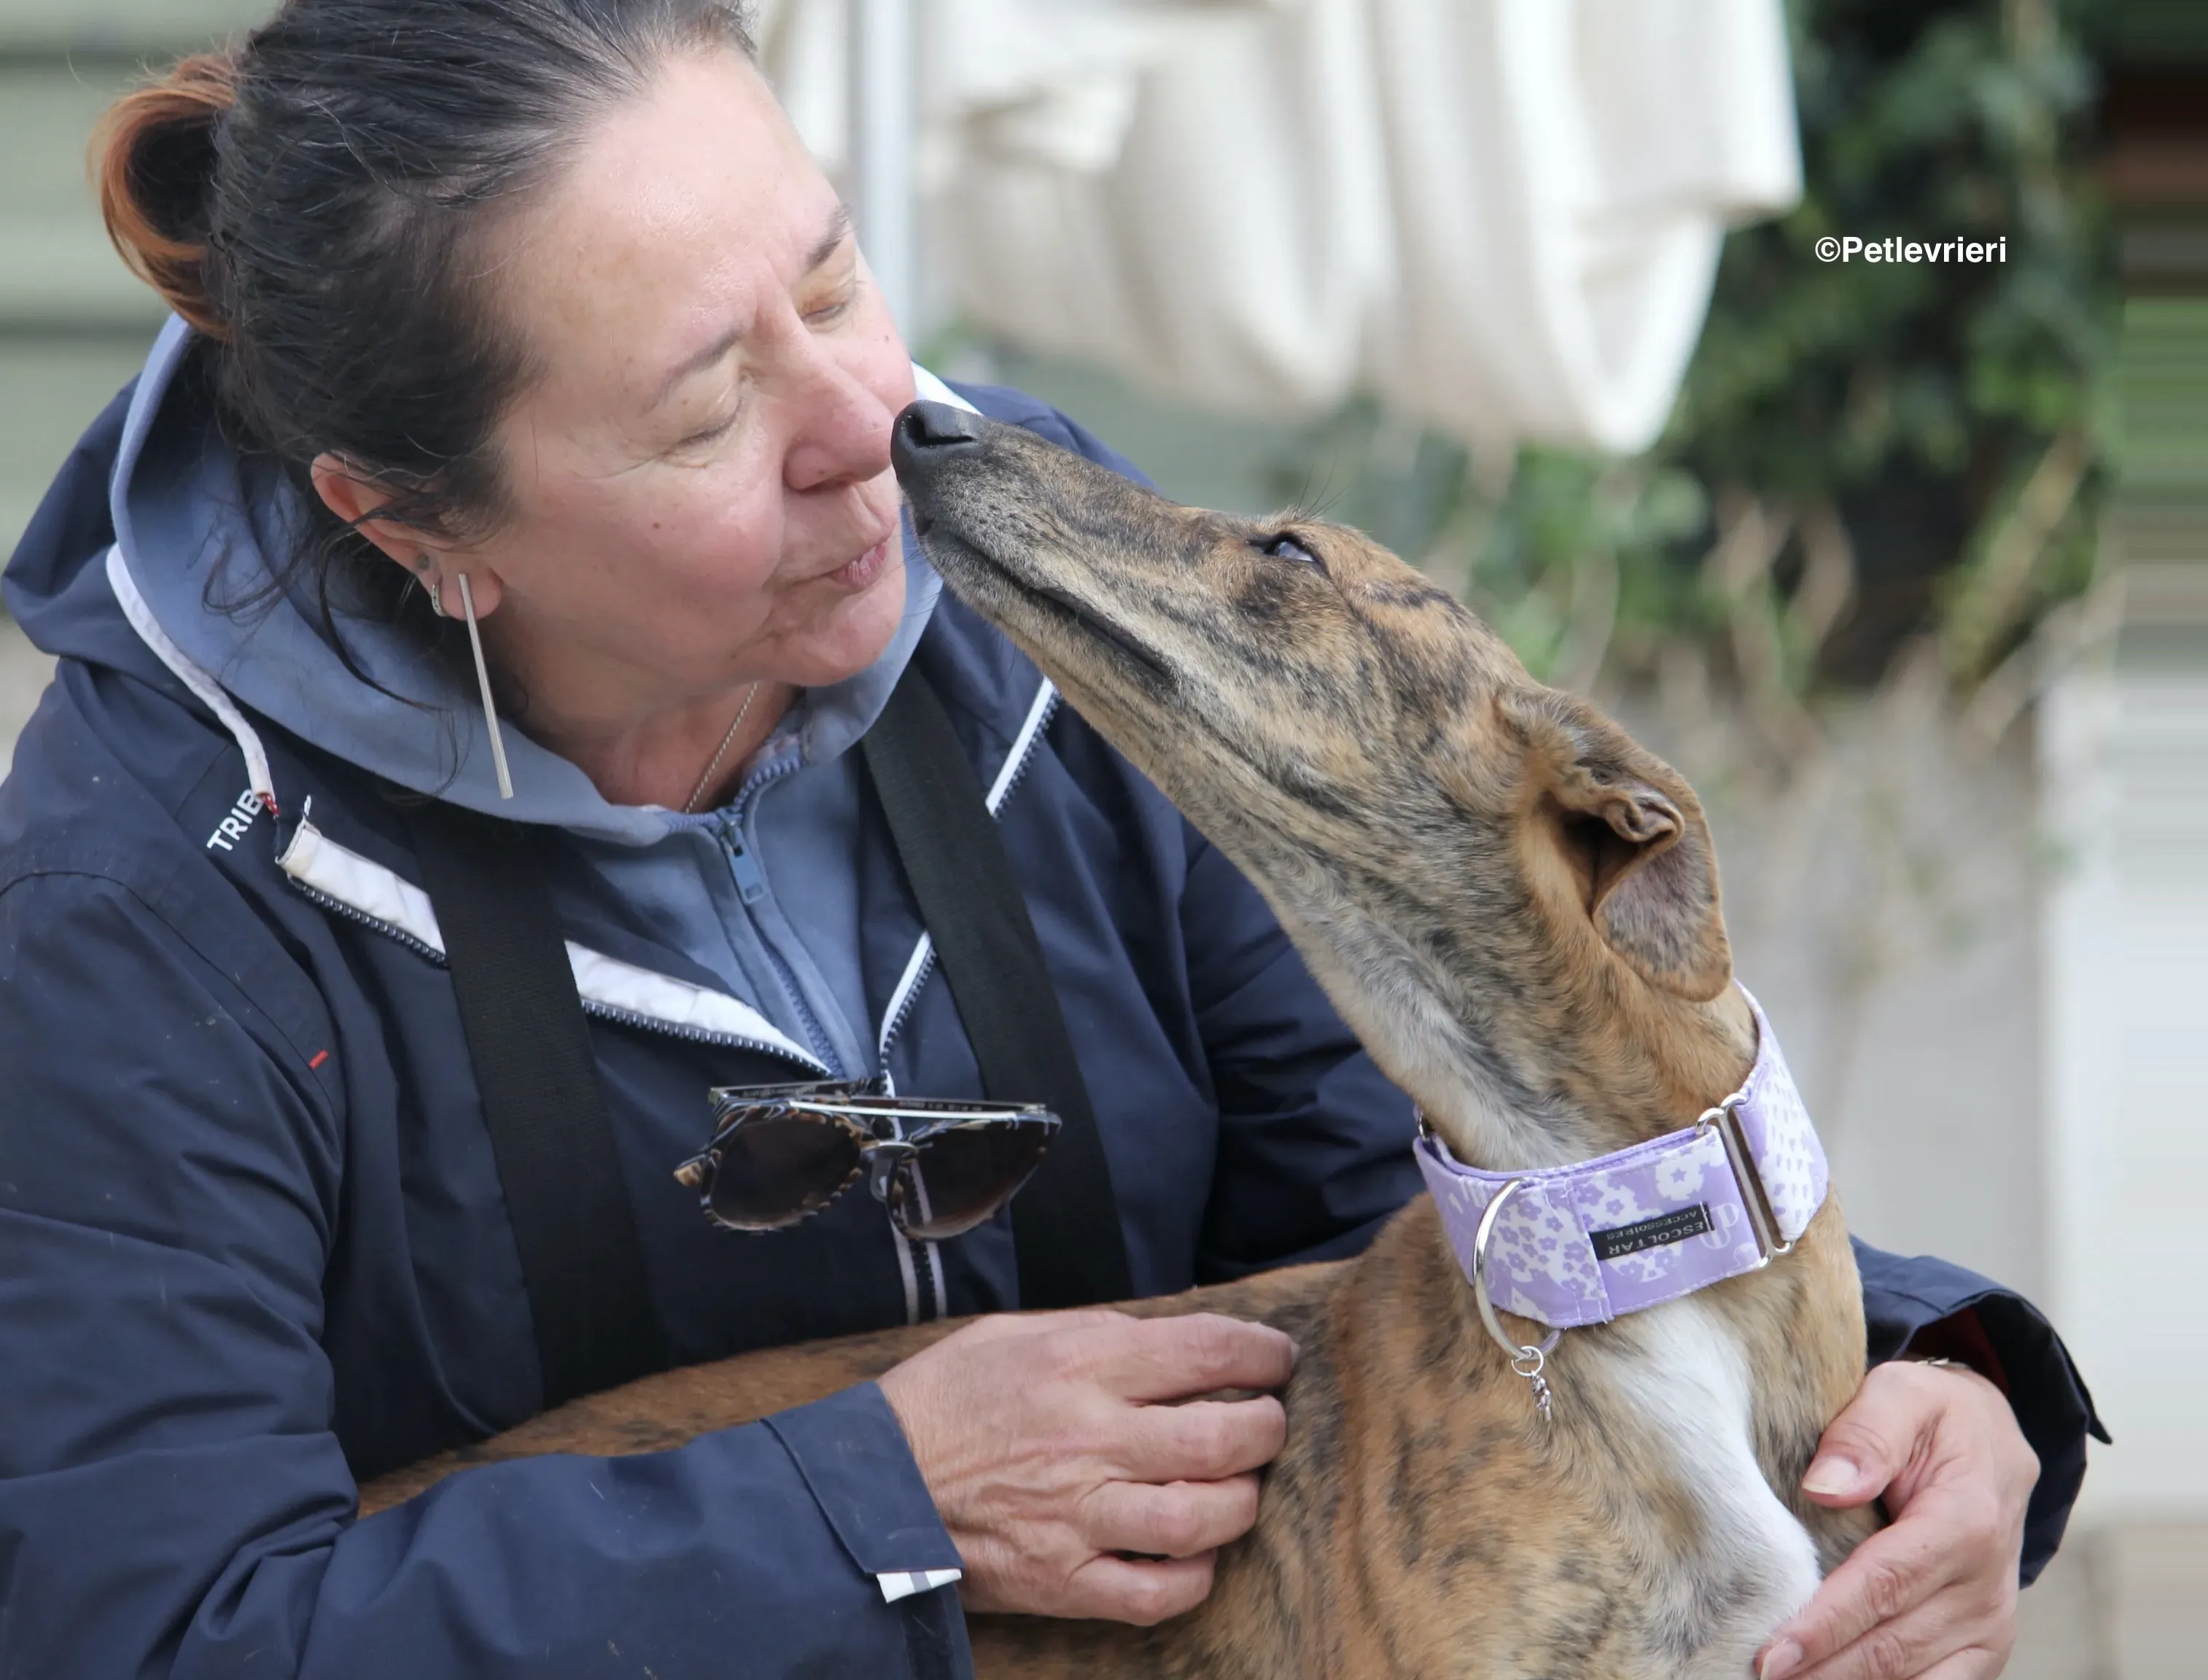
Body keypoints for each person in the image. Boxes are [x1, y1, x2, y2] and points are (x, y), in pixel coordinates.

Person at [0, 3, 2100, 1676]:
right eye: (705, 408)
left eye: (833, 277)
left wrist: (1921, 1378)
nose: (873, 429)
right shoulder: (138, 908)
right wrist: (870, 1504)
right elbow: (152, 1630)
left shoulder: (1044, 590)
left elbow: (1414, 1190)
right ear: (412, 523)